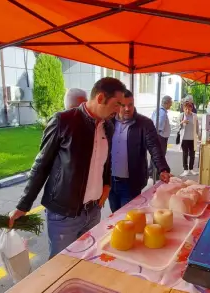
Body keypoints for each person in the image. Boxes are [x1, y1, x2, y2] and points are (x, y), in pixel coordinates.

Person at [9, 77, 126, 259]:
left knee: (87, 260)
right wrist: (23, 205)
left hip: (94, 211)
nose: (120, 110)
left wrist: (107, 184)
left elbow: (105, 161)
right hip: (64, 214)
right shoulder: (63, 121)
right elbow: (41, 165)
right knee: (60, 264)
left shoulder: (108, 127)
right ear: (101, 98)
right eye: (117, 103)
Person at [109, 90, 171, 212]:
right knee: (114, 217)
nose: (127, 108)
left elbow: (154, 147)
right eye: (123, 105)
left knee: (128, 218)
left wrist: (162, 168)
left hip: (130, 183)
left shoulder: (144, 123)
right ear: (117, 105)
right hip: (110, 183)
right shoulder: (108, 122)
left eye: (130, 104)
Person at [149, 95, 172, 177]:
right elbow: (159, 125)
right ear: (166, 103)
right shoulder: (162, 112)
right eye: (170, 103)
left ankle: (152, 172)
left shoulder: (159, 110)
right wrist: (158, 134)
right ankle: (155, 173)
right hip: (160, 137)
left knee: (155, 154)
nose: (171, 104)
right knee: (159, 155)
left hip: (159, 136)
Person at [179, 102, 200, 176]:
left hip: (193, 138)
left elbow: (197, 126)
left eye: (189, 108)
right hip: (184, 138)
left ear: (192, 108)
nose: (187, 110)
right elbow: (178, 125)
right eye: (186, 109)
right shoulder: (181, 115)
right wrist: (182, 122)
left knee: (192, 154)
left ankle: (191, 169)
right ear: (183, 109)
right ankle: (185, 169)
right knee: (185, 154)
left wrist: (199, 135)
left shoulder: (195, 116)